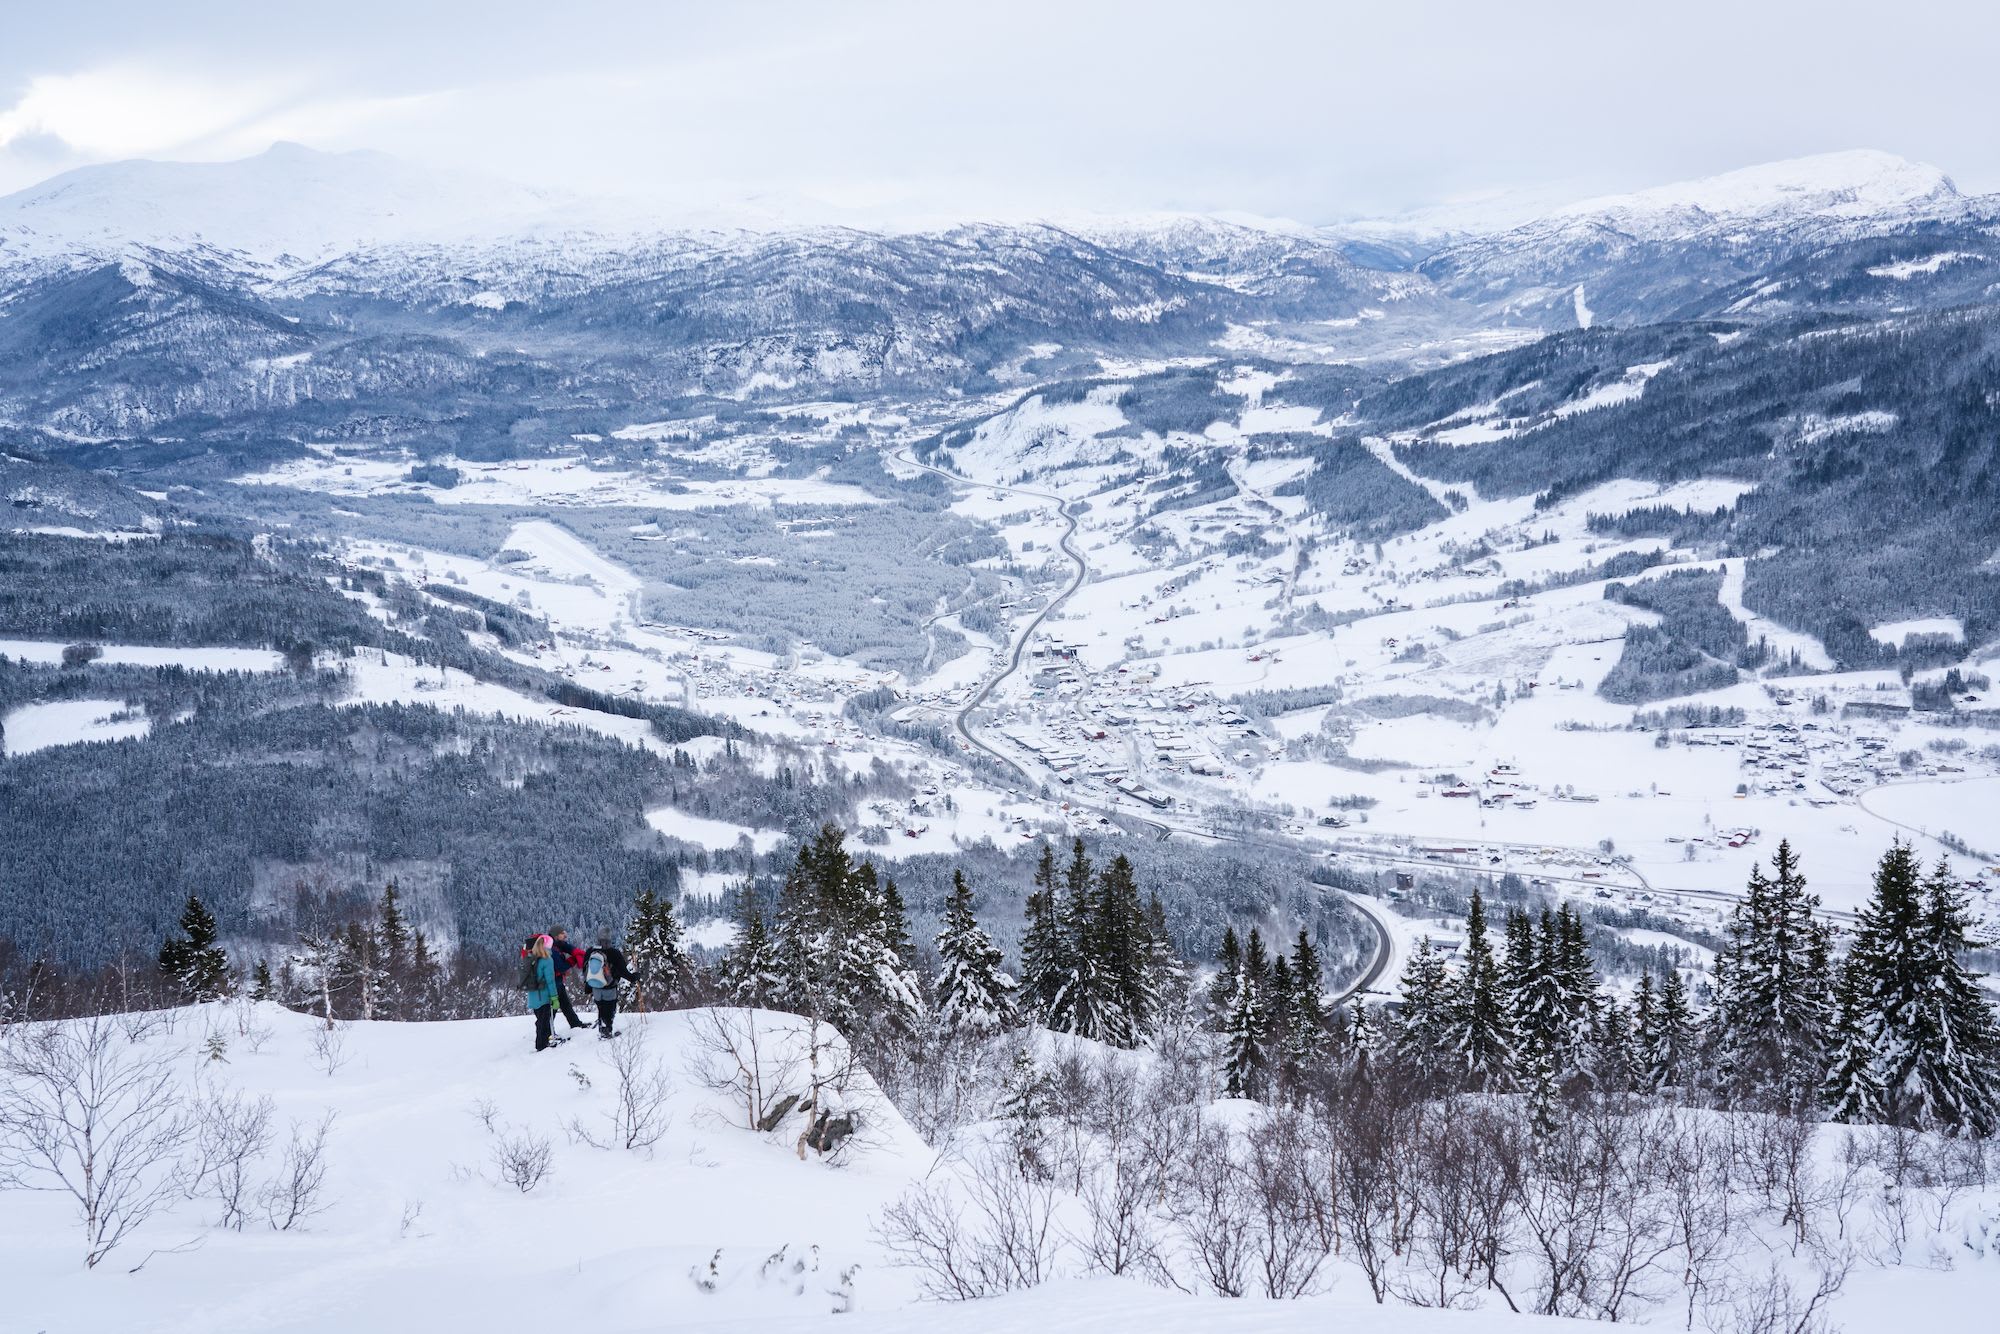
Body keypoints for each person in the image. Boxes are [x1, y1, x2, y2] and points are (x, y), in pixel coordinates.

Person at [582, 929, 642, 1039]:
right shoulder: (614, 953)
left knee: (601, 1008)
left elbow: (585, 970)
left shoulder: (590, 951)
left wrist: (588, 985)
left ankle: (602, 1029)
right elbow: (623, 971)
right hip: (609, 987)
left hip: (595, 987)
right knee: (609, 1009)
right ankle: (606, 1032)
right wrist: (634, 977)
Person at [523, 934, 563, 1051]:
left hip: (533, 996)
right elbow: (550, 981)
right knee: (544, 1022)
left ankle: (542, 1043)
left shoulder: (530, 959)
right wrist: (555, 997)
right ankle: (542, 1046)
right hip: (544, 996)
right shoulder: (547, 960)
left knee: (540, 1020)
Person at [547, 926, 589, 1031]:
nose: (565, 935)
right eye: (562, 933)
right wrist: (573, 960)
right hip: (552, 983)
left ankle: (575, 1024)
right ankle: (547, 1033)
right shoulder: (551, 950)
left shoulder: (557, 945)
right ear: (556, 935)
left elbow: (567, 947)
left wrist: (575, 952)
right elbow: (560, 967)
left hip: (558, 981)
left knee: (565, 1005)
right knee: (553, 1008)